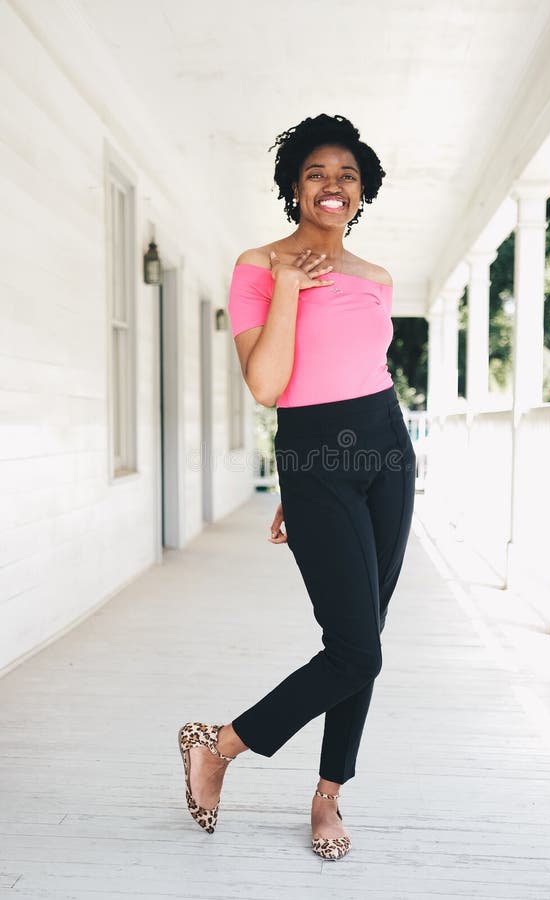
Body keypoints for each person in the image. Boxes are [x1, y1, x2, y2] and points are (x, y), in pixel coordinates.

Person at [178, 113, 416, 861]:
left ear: (362, 191)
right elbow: (267, 384)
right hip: (314, 451)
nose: (332, 185)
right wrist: (287, 286)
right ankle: (219, 745)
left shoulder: (376, 278)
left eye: (347, 175)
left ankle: (327, 797)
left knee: (365, 638)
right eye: (317, 173)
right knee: (356, 650)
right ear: (294, 187)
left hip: (385, 448)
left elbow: (360, 371)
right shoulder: (258, 264)